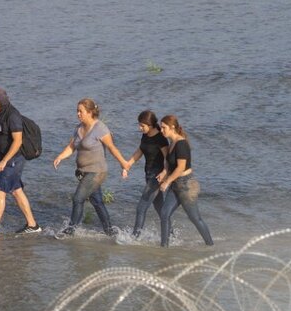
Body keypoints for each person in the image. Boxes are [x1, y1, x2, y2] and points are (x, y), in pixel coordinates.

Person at [53, 98, 130, 237]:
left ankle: (70, 230)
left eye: (80, 111)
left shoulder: (100, 128)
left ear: (89, 112)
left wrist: (123, 164)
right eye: (77, 111)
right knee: (97, 201)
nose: (78, 114)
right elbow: (72, 146)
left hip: (97, 172)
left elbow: (112, 148)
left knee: (78, 198)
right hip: (83, 172)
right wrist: (60, 157)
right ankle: (110, 231)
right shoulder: (78, 128)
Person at [0, 87, 41, 239]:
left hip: (15, 158)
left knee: (0, 192)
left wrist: (4, 161)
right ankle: (33, 225)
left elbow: (17, 142)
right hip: (5, 158)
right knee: (16, 190)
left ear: (3, 100)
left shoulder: (13, 116)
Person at [157, 114, 214, 247]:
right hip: (176, 185)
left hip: (187, 185)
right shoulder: (172, 143)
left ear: (172, 127)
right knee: (164, 213)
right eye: (160, 127)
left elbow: (181, 167)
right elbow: (170, 164)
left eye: (164, 127)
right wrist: (164, 173)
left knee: (195, 218)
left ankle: (210, 246)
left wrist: (167, 182)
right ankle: (164, 247)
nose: (161, 130)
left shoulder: (181, 143)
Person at [125, 110, 174, 239]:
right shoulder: (145, 135)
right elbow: (140, 150)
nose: (140, 128)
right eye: (139, 125)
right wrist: (128, 164)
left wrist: (165, 173)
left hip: (157, 177)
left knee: (141, 208)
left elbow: (167, 158)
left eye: (142, 125)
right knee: (161, 209)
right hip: (148, 174)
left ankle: (134, 238)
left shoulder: (161, 139)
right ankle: (172, 236)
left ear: (150, 125)